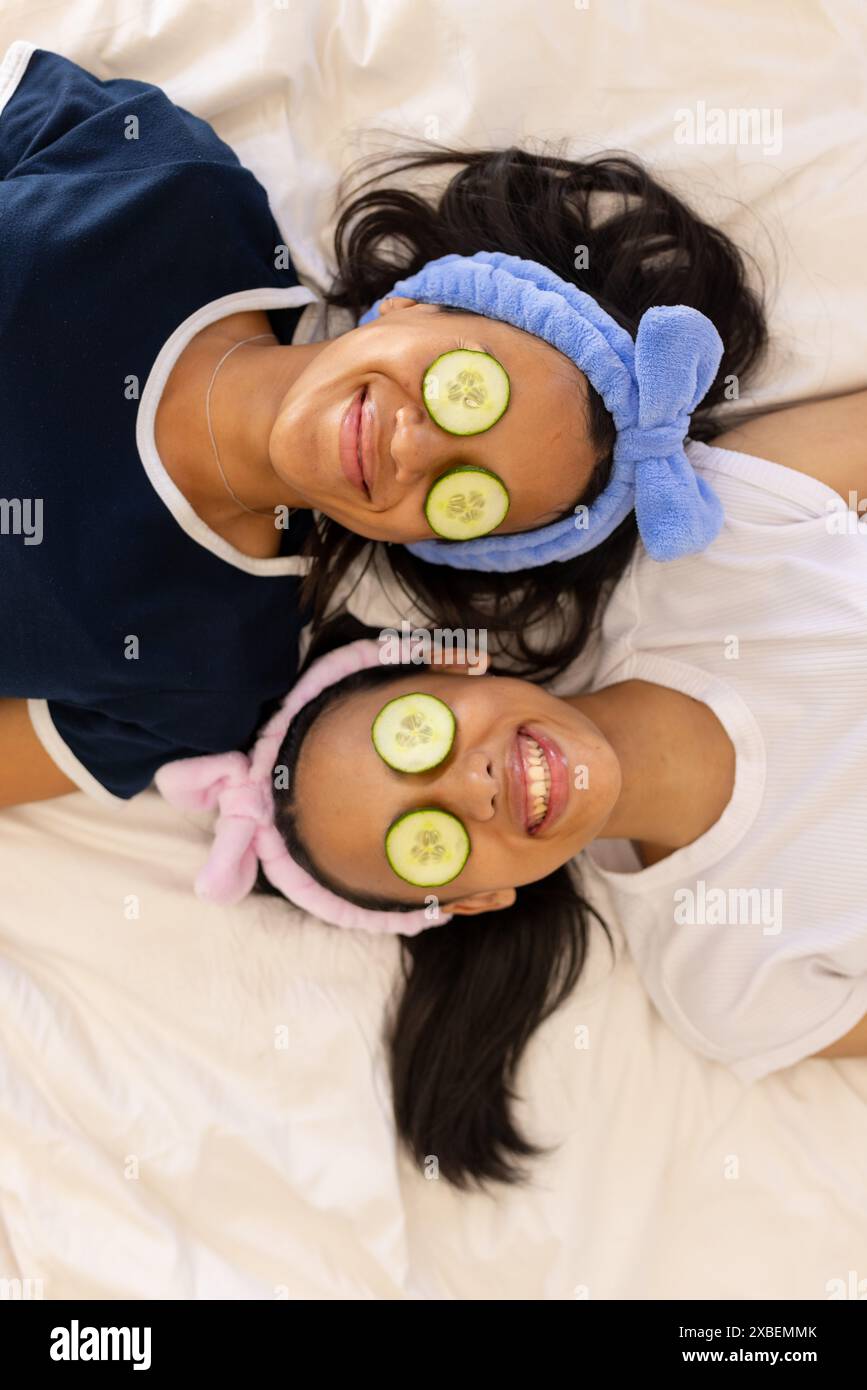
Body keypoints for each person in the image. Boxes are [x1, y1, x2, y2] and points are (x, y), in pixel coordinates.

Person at [1, 40, 767, 806]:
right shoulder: (172, 191)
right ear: (415, 301)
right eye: (462, 388)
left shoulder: (205, 678)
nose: (411, 447)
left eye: (464, 493)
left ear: (439, 545)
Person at [159, 383, 867, 1186]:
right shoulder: (732, 991)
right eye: (428, 845)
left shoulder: (713, 525)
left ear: (457, 660)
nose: (471, 787)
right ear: (476, 900)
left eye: (418, 736)